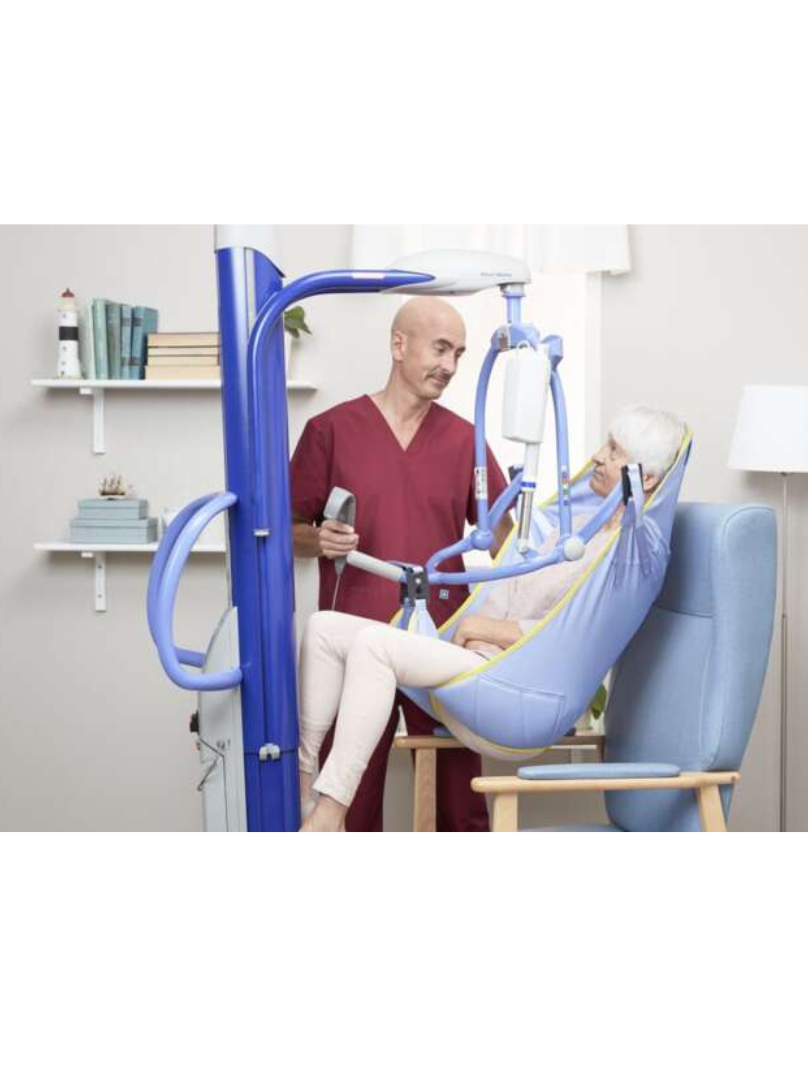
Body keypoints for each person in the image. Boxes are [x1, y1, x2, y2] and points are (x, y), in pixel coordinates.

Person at [297, 405, 687, 831]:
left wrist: (481, 629)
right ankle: (304, 787)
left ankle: (330, 814)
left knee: (375, 646)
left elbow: (577, 635)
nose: (597, 456)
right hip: (485, 665)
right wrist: (471, 631)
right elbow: (512, 587)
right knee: (325, 629)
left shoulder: (633, 556)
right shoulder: (574, 530)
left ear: (645, 478)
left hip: (523, 691)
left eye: (614, 451)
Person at [290, 296, 513, 831]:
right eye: (440, 349)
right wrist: (320, 540)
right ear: (398, 346)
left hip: (438, 641)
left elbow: (510, 543)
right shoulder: (331, 431)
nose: (451, 366)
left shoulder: (465, 441)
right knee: (349, 799)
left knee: (461, 803)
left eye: (458, 353)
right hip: (355, 640)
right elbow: (286, 533)